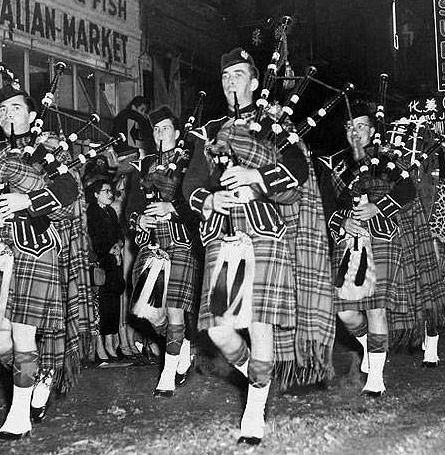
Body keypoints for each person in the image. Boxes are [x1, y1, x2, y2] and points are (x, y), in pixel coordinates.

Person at [182, 47, 334, 445]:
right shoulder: (210, 129)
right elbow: (191, 183)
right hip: (223, 232)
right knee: (218, 330)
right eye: (225, 75)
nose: (230, 80)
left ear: (253, 82)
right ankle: (254, 372)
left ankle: (254, 409)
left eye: (238, 74)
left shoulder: (275, 125)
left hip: (265, 231)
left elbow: (298, 169)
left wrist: (256, 177)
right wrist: (210, 199)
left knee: (260, 322)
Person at [0, 84, 81, 440]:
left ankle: (19, 414)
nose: (6, 114)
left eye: (14, 108)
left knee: (23, 333)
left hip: (34, 248)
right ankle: (38, 374)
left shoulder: (50, 147)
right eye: (2, 110)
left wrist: (26, 202)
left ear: (31, 115)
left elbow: (69, 189)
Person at [320, 101, 417, 396]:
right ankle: (368, 345)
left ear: (372, 131)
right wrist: (342, 221)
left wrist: (378, 207)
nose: (355, 132)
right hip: (349, 241)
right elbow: (327, 206)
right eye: (350, 127)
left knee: (376, 309)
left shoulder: (388, 159)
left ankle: (375, 375)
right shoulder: (335, 165)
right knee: (346, 313)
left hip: (382, 237)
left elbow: (408, 191)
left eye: (361, 126)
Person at [126, 106, 200, 396]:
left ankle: (167, 376)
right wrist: (138, 218)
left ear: (177, 133)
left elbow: (197, 202)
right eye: (156, 129)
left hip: (180, 242)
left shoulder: (189, 164)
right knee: (147, 312)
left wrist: (174, 207)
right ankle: (181, 344)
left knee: (175, 311)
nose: (160, 134)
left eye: (165, 128)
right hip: (152, 243)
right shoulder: (142, 167)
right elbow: (131, 207)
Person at [85, 177, 125, 363]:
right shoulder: (91, 212)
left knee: (113, 304)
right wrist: (108, 250)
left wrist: (118, 244)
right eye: (106, 191)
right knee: (100, 305)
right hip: (101, 262)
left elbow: (118, 233)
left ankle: (110, 344)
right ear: (95, 194)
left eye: (111, 191)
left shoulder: (110, 211)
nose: (110, 194)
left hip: (114, 261)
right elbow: (93, 239)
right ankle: (100, 347)